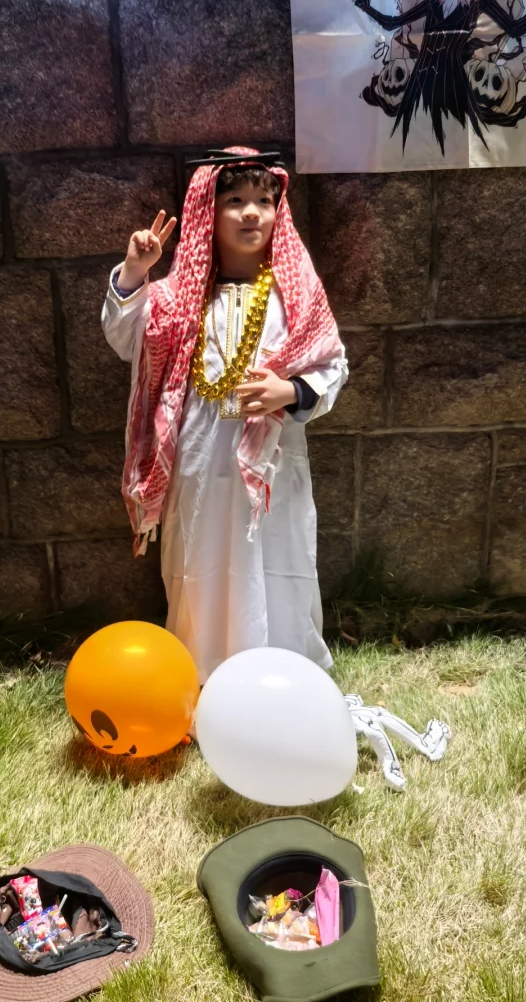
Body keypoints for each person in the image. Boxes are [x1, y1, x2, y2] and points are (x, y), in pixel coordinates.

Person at [102, 149, 348, 682]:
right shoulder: (177, 298)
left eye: (264, 200)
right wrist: (136, 272)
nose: (251, 212)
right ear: (207, 213)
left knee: (278, 565)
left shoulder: (296, 296)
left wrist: (290, 390)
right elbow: (126, 337)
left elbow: (332, 365)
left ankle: (285, 683)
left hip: (273, 470)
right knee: (200, 567)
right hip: (196, 466)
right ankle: (204, 680)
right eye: (234, 200)